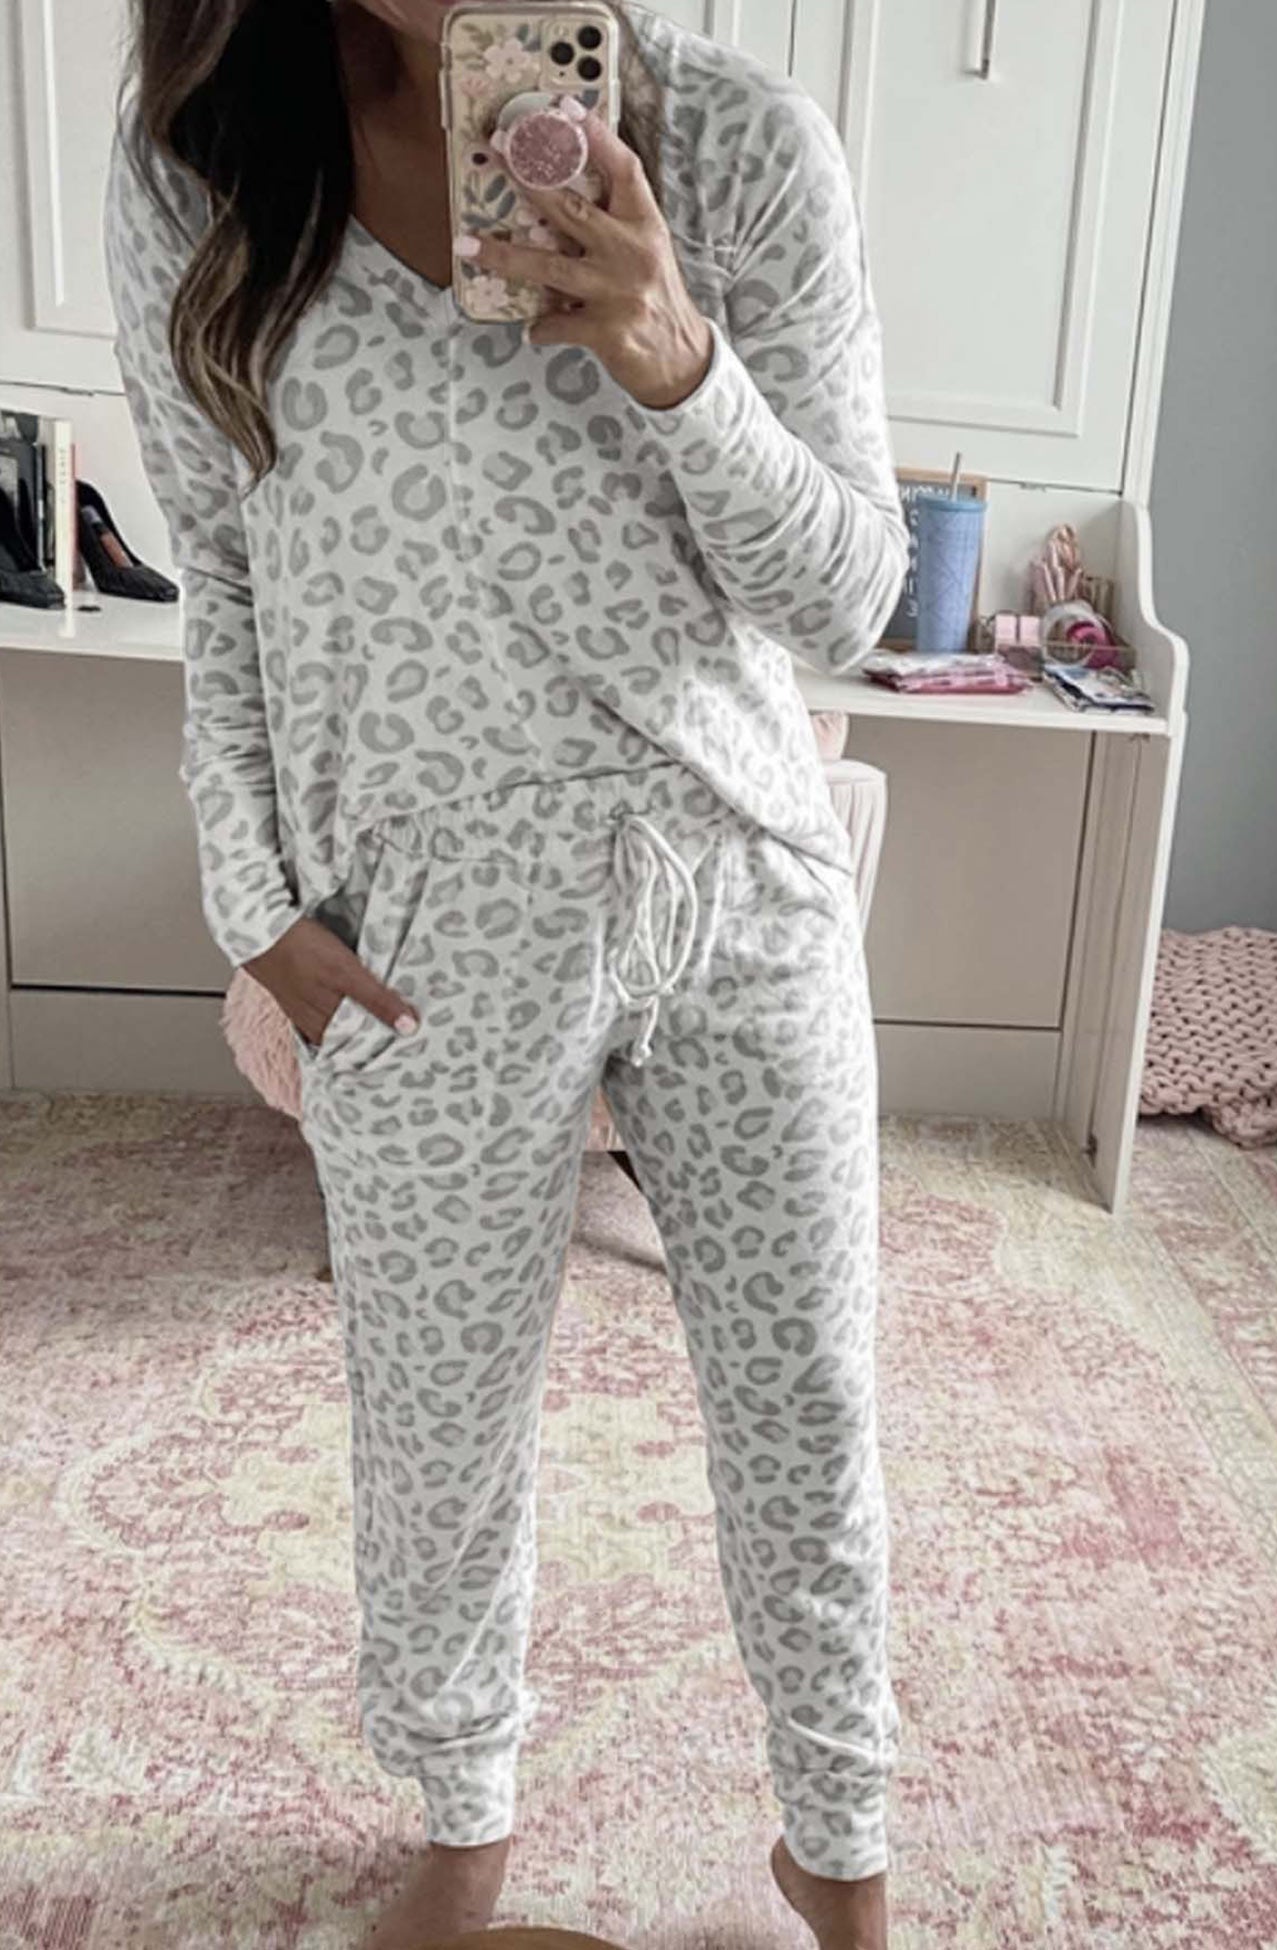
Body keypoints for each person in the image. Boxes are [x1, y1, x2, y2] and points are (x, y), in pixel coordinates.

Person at [103, 3, 910, 1945]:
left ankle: (842, 1849)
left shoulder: (741, 148)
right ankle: (461, 1826)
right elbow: (220, 571)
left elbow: (849, 599)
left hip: (736, 880)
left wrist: (673, 353)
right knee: (438, 1428)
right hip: (424, 922)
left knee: (807, 1407)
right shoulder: (206, 169)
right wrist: (255, 904)